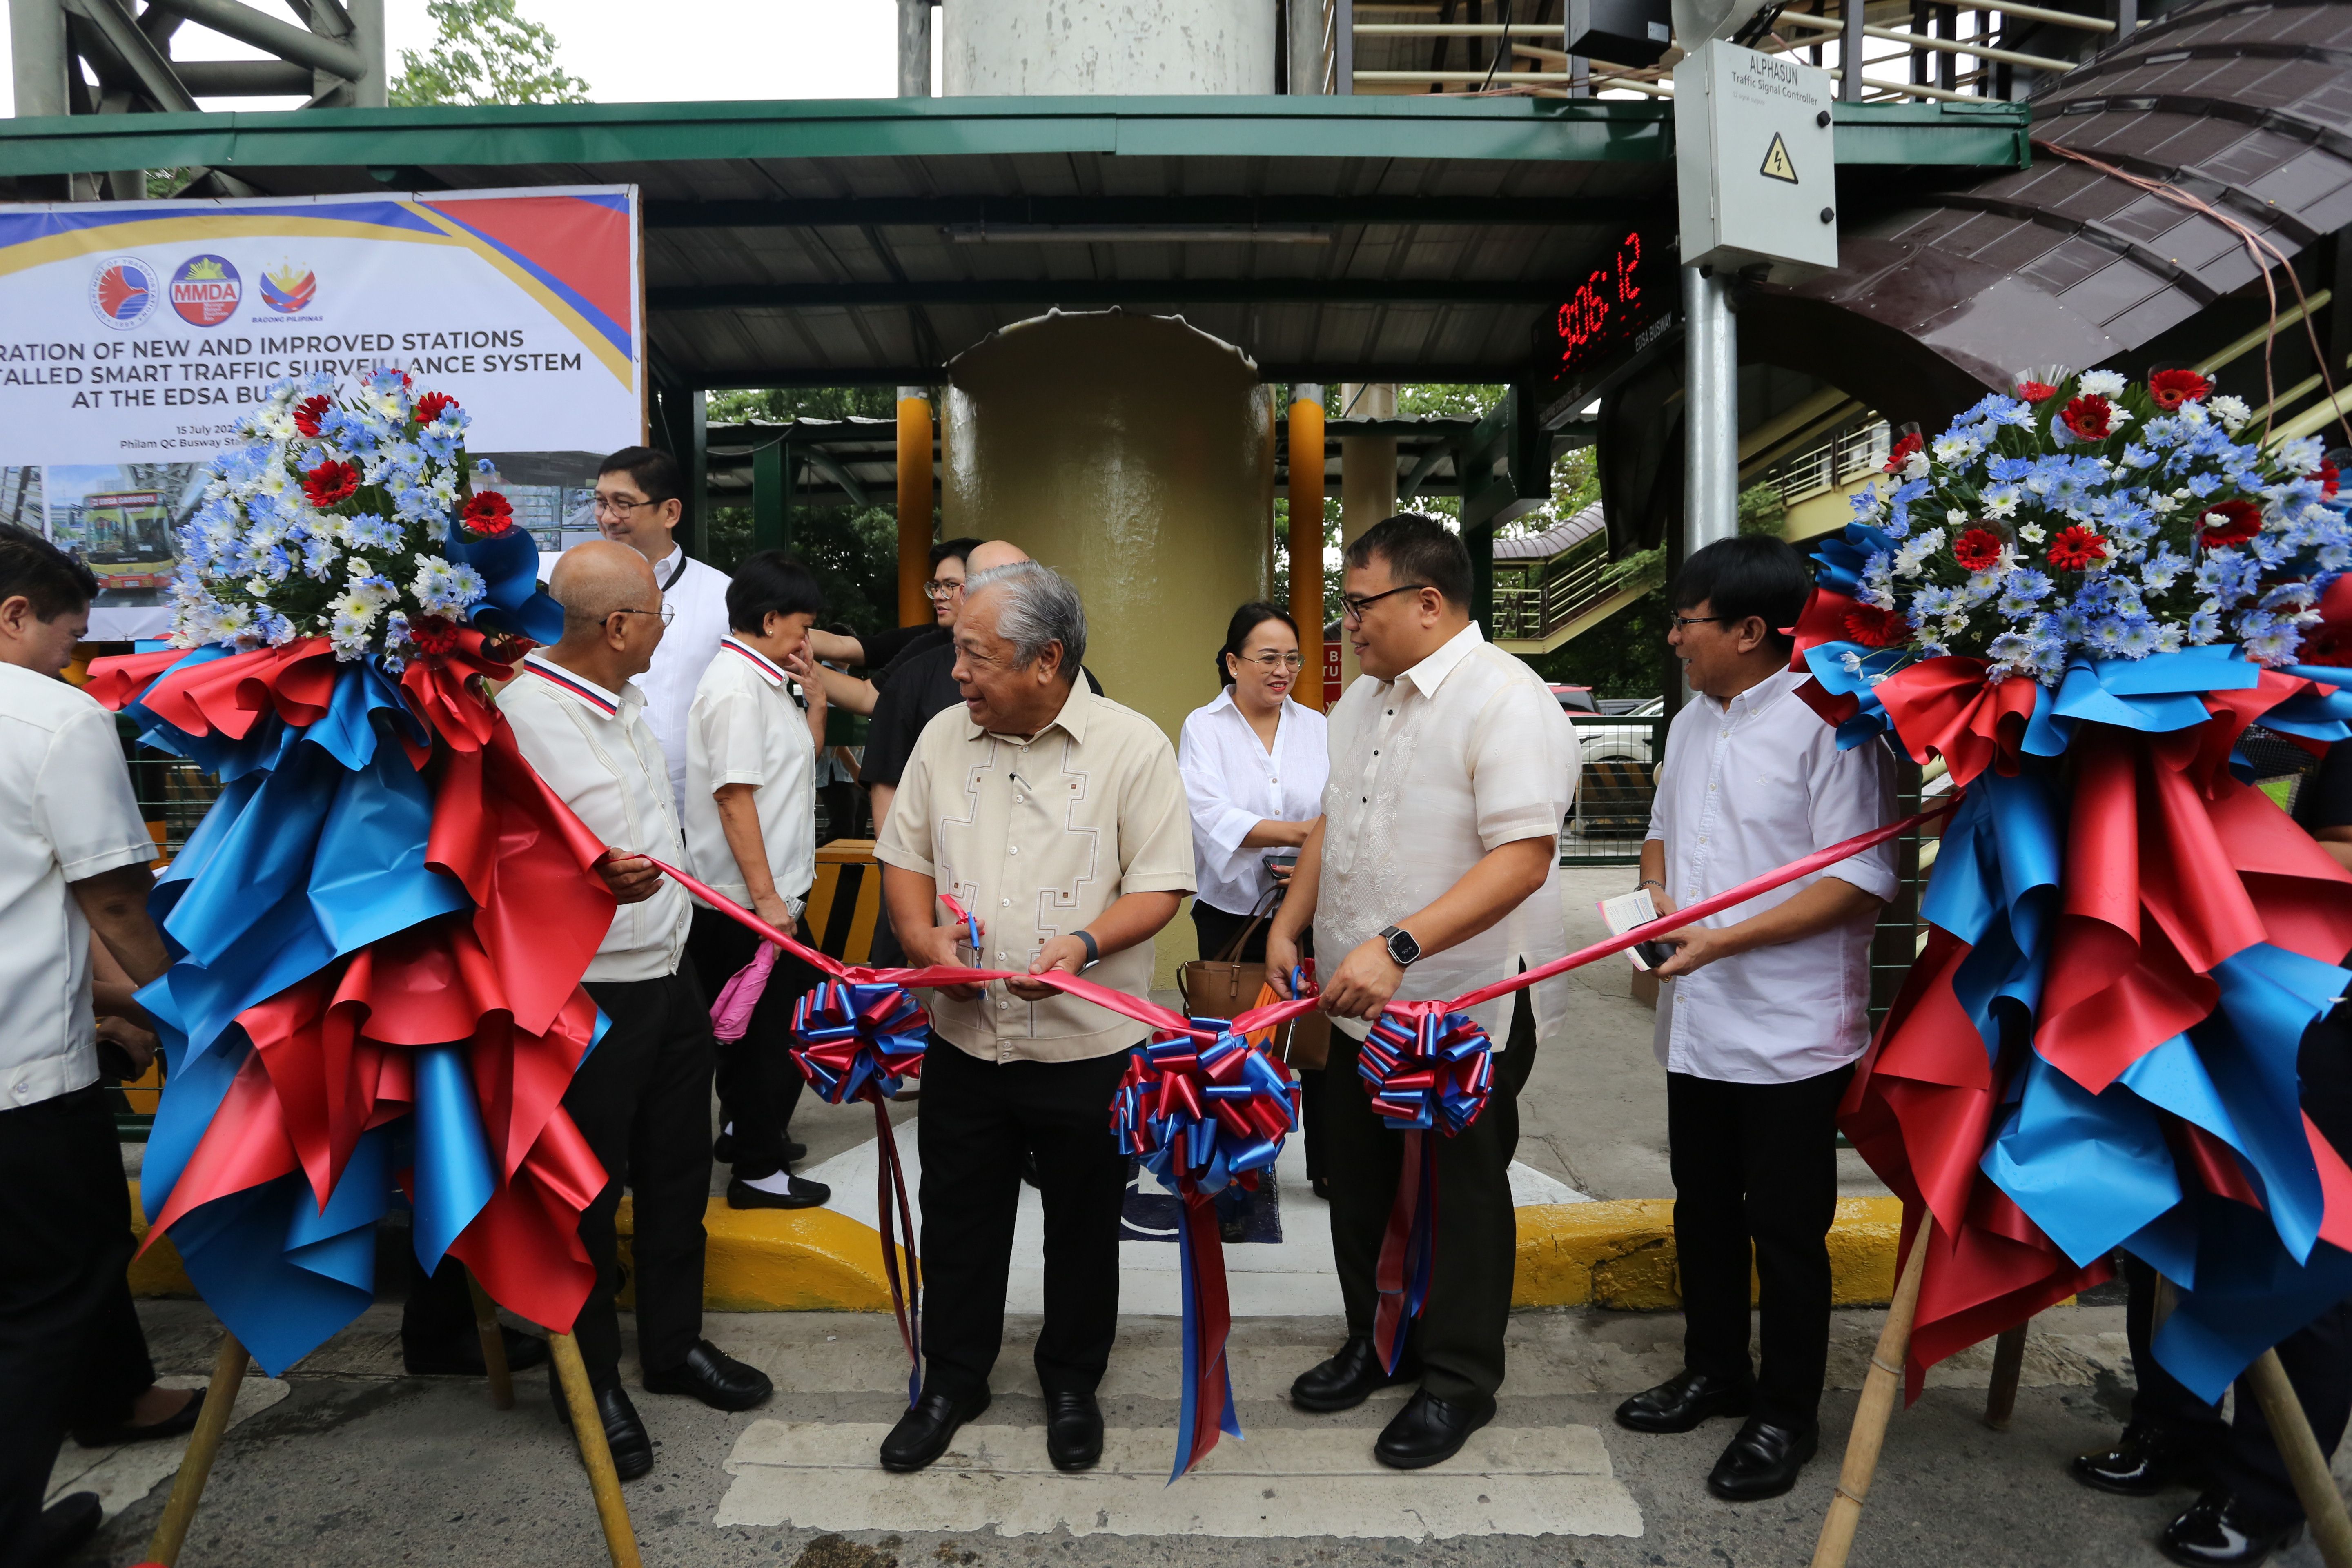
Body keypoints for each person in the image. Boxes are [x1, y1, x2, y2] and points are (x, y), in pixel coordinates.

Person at [1266, 513, 1579, 1471]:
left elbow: (1521, 859)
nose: (1343, 626)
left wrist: (1396, 945)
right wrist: (1290, 923)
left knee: (1456, 1195)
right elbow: (1332, 817)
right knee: (1355, 1179)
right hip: (1358, 1004)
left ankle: (1455, 1377)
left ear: (1427, 602)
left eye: (1359, 605)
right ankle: (1376, 1340)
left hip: (1461, 1003)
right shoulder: (1360, 699)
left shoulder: (1505, 700)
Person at [871, 560, 1193, 1476]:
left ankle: (1070, 1381)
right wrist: (919, 938)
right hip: (965, 1038)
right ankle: (953, 1379)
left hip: (1088, 1043)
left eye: (975, 655)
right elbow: (908, 857)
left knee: (1086, 1222)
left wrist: (1084, 947)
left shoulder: (1133, 747)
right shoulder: (942, 737)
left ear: (1046, 661)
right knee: (959, 1213)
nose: (958, 673)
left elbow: (1162, 883)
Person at [1611, 535, 1897, 1503]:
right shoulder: (1692, 719)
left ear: (1747, 629)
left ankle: (1785, 1412)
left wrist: (1718, 941)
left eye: (1684, 620)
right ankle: (1713, 1369)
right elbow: (1658, 829)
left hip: (1786, 1030)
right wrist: (1652, 899)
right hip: (1695, 1019)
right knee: (1701, 1208)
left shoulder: (1829, 723)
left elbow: (1856, 881)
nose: (1671, 637)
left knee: (1782, 1225)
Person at [503, 539, 773, 1482]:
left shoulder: (622, 701)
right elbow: (489, 861)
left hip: (666, 971)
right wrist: (581, 881)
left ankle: (673, 1346)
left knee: (674, 1174)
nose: (666, 630)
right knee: (583, 1195)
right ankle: (590, 1380)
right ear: (619, 627)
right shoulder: (516, 716)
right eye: (656, 617)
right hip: (582, 993)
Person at [2066, 736, 2352, 1568]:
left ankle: (2268, 1491)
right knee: (2175, 1209)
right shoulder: (2219, 687)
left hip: (2314, 1006)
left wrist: (2181, 856)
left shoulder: (2332, 708)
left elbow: (2340, 857)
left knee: (2301, 1230)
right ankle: (2171, 1424)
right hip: (2195, 979)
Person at [0, 525, 181, 1566]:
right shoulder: (54, 718)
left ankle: (114, 1396)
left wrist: (106, 1006)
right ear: (15, 615)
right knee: (47, 1290)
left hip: (41, 1024)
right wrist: (181, 1003)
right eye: (69, 638)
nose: (74, 663)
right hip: (21, 1081)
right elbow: (110, 895)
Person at [682, 549, 833, 1212]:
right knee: (763, 1042)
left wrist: (818, 695)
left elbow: (800, 762)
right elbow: (734, 799)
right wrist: (769, 903)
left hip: (769, 899)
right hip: (748, 904)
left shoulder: (764, 680)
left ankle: (750, 1137)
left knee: (777, 1029)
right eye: (802, 627)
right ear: (770, 619)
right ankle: (758, 1173)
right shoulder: (737, 689)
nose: (808, 641)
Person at [1178, 602, 1330, 1219]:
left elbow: (1340, 810)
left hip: (1311, 905)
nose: (1283, 670)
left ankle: (1330, 1169)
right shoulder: (1204, 727)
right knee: (1238, 1049)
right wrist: (1302, 836)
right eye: (1268, 658)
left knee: (1317, 1040)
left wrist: (1314, 854)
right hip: (1233, 914)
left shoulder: (1319, 727)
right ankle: (1241, 1183)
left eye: (1292, 658)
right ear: (1233, 661)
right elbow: (1208, 815)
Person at [560, 446, 732, 813]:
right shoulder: (566, 588)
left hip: (690, 814)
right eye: (600, 502)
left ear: (670, 512)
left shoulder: (723, 597)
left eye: (623, 504)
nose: (607, 518)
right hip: (587, 807)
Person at [806, 538, 984, 717]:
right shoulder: (926, 644)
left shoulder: (1007, 645)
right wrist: (789, 642)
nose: (938, 595)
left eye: (949, 585)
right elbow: (849, 651)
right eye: (937, 586)